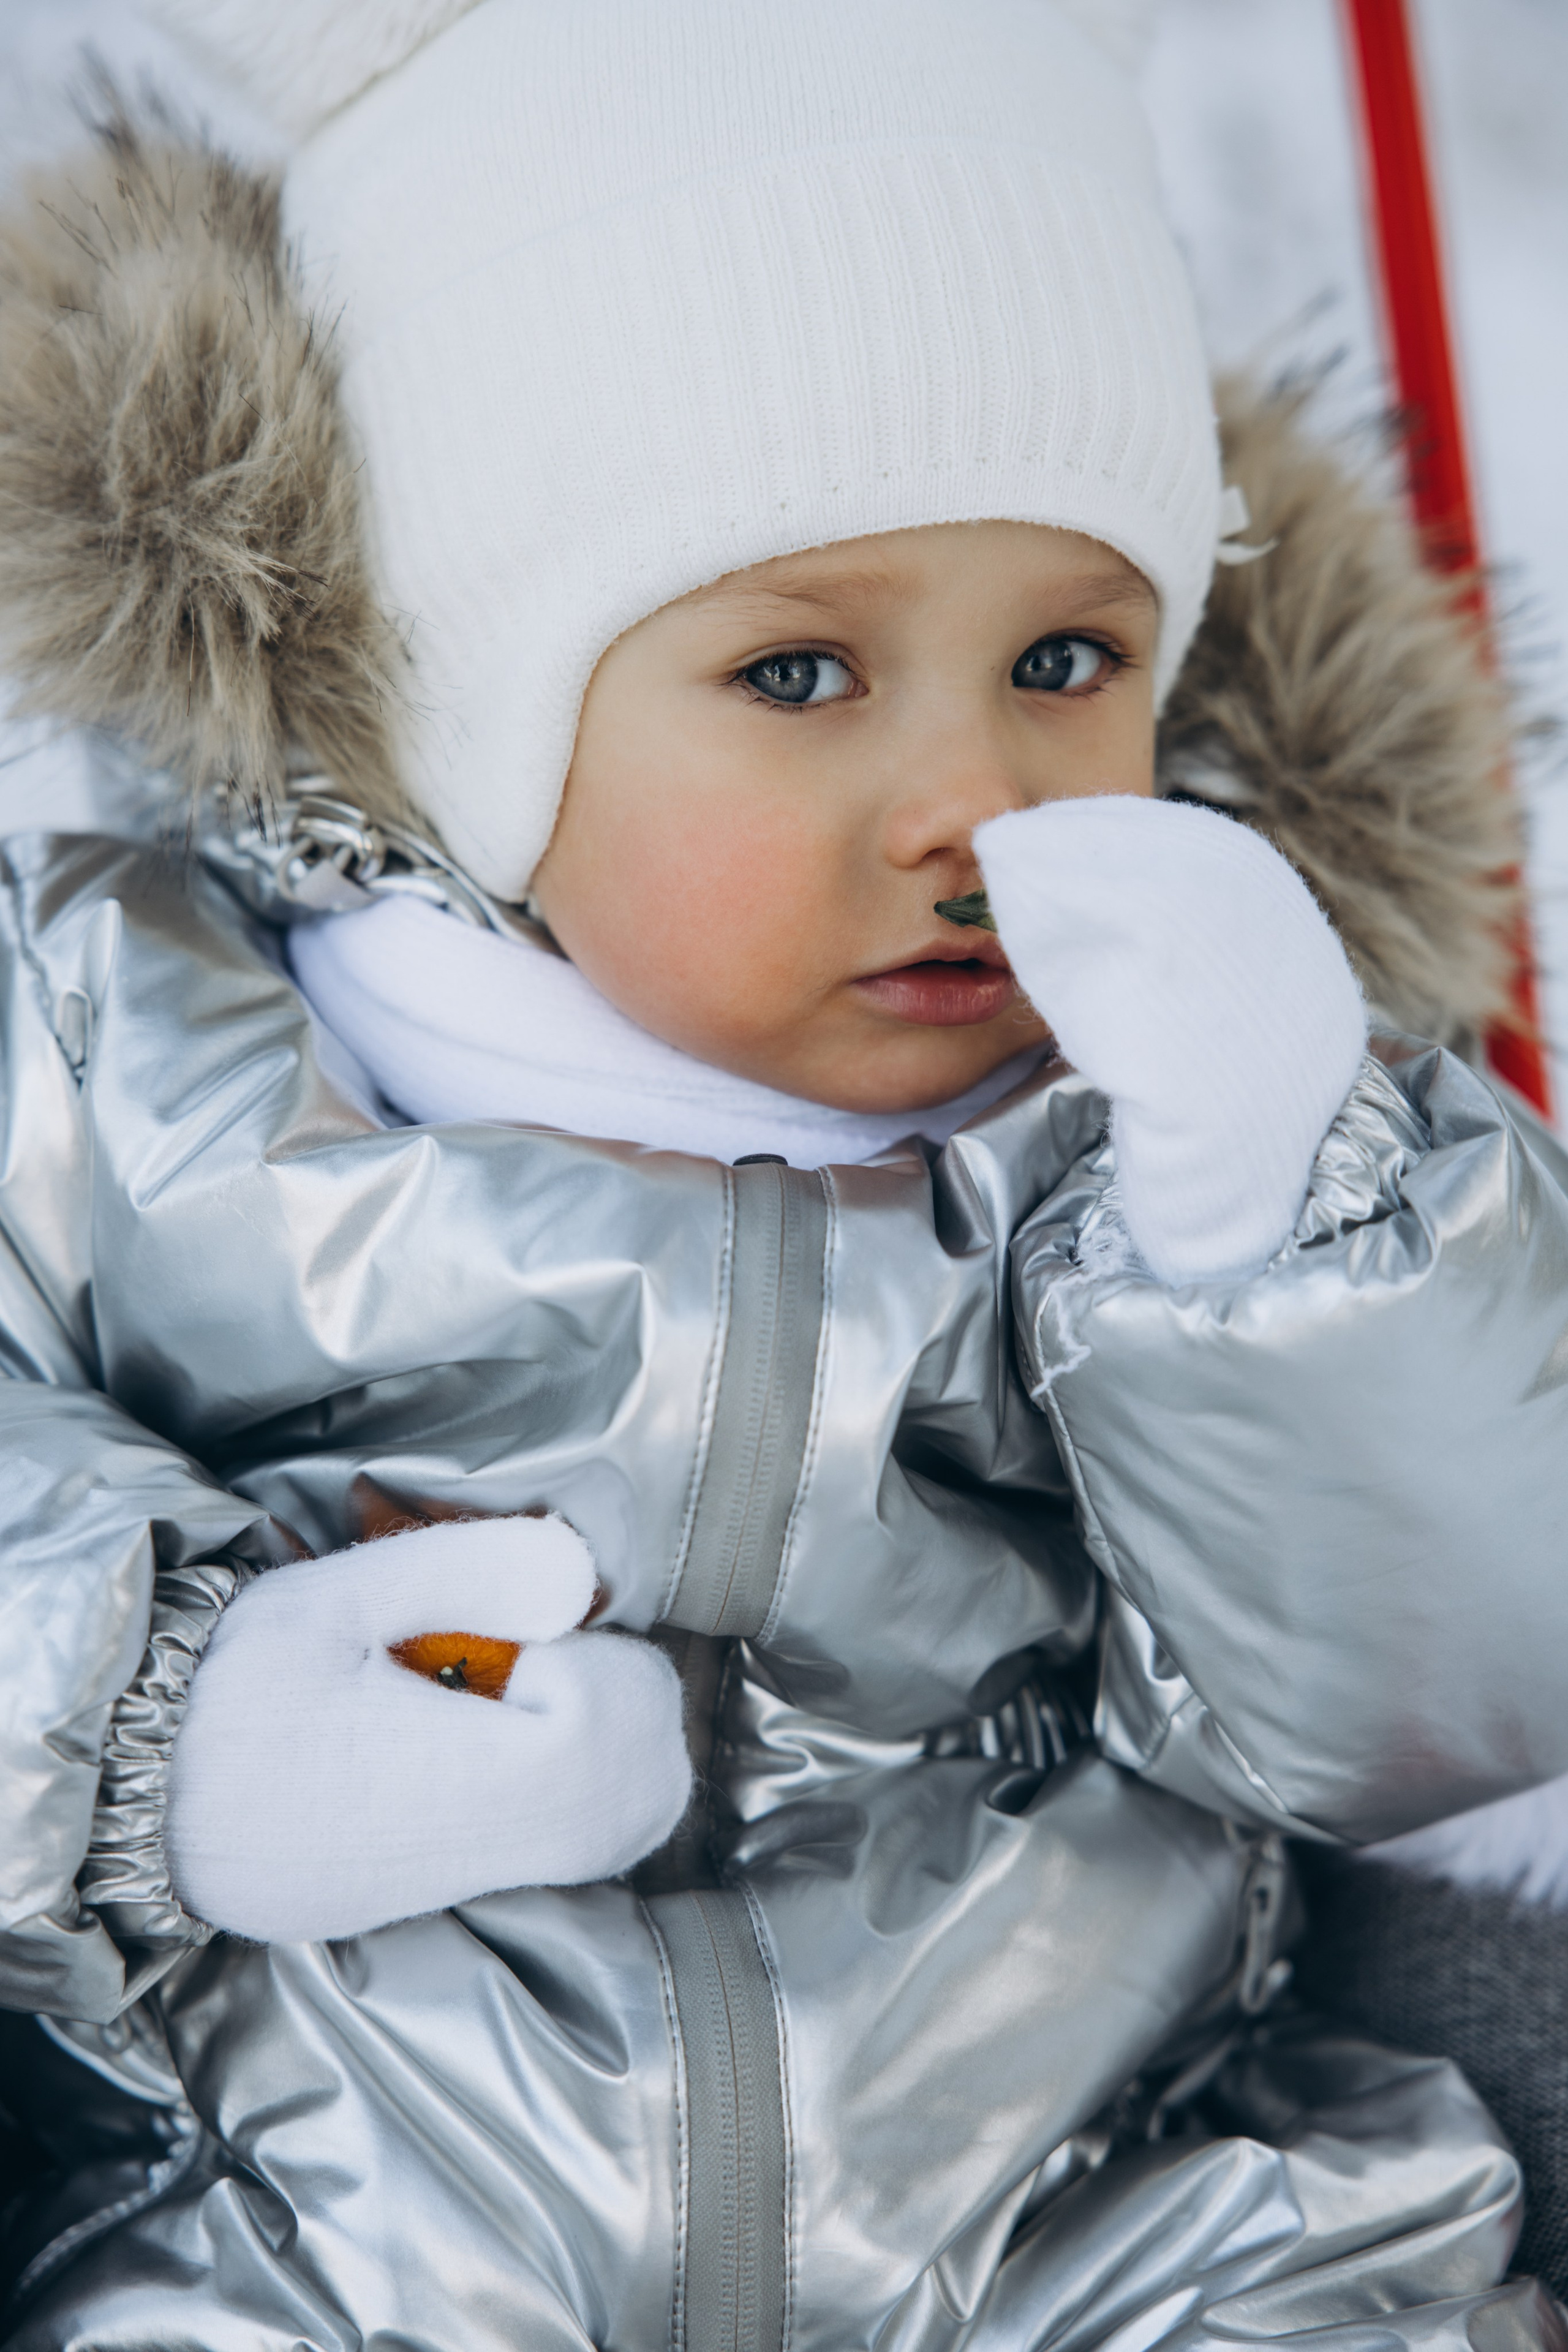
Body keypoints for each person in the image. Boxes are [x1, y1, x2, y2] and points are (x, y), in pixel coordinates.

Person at [0, 4, 1565, 2345]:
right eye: (804, 677)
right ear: (469, 700)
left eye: (1065, 654)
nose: (985, 801)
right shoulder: (152, 1064)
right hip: (315, 2242)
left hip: (1083, 2222)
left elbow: (1444, 1690)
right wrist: (166, 1734)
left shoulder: (1168, 1131)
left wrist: (1290, 1227)